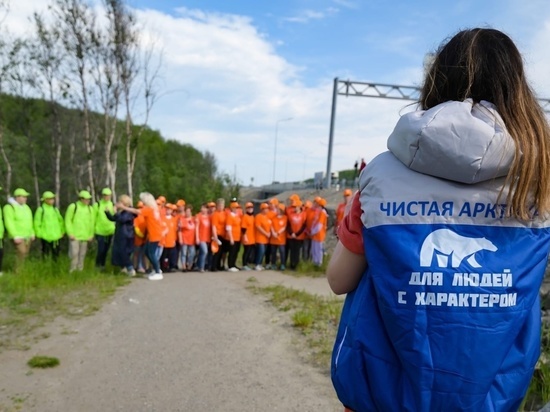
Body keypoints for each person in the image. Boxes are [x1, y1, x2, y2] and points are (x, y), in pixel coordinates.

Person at [327, 28, 550, 412]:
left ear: (436, 82)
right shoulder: (540, 181)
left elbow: (338, 280)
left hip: (384, 393)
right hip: (493, 394)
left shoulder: (381, 174)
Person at [105, 194, 136, 276]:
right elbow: (114, 219)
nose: (118, 203)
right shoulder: (121, 212)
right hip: (120, 234)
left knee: (123, 252)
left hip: (126, 235)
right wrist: (107, 213)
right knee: (118, 252)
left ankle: (130, 268)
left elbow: (122, 220)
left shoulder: (129, 212)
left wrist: (115, 212)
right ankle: (123, 268)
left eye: (120, 202)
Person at [65, 190, 95, 272]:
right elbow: (68, 221)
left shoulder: (90, 209)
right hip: (75, 236)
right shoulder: (73, 207)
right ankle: (72, 270)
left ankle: (80, 270)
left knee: (82, 254)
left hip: (85, 236)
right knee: (74, 254)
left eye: (88, 199)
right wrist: (70, 233)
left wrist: (91, 234)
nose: (87, 201)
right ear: (81, 199)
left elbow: (92, 223)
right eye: (86, 199)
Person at [3, 188, 35, 265]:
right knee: (21, 252)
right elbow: (9, 222)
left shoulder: (26, 207)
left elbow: (30, 221)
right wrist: (15, 236)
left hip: (27, 235)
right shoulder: (9, 207)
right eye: (23, 197)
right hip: (18, 235)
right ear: (17, 197)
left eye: (26, 197)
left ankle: (23, 271)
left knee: (25, 254)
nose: (25, 198)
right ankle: (18, 272)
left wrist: (32, 232)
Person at [34, 191, 65, 260]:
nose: (52, 200)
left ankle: (55, 268)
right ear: (45, 200)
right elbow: (37, 222)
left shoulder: (55, 209)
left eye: (52, 198)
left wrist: (62, 231)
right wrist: (39, 234)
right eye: (50, 199)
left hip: (56, 236)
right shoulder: (41, 210)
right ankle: (45, 268)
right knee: (45, 254)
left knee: (56, 254)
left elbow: (60, 221)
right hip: (45, 236)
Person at [93, 188, 116, 270]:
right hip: (99, 231)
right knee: (100, 249)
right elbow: (93, 218)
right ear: (102, 196)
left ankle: (103, 265)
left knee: (106, 249)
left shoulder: (113, 205)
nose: (107, 197)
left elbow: (115, 217)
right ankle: (97, 265)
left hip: (110, 231)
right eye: (105, 195)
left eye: (108, 195)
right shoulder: (97, 205)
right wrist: (93, 230)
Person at [225, 201, 242, 272]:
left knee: (236, 251)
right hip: (232, 237)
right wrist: (231, 238)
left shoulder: (237, 216)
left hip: (238, 237)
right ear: (232, 208)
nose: (236, 209)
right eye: (235, 208)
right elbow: (228, 228)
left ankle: (234, 264)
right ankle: (230, 265)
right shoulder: (230, 216)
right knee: (232, 251)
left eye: (237, 208)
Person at [240, 202, 256, 270]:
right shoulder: (245, 216)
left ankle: (247, 263)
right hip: (247, 237)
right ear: (246, 209)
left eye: (251, 207)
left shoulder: (252, 216)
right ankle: (244, 264)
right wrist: (245, 236)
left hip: (252, 237)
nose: (250, 209)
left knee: (250, 251)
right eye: (248, 208)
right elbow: (243, 228)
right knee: (246, 251)